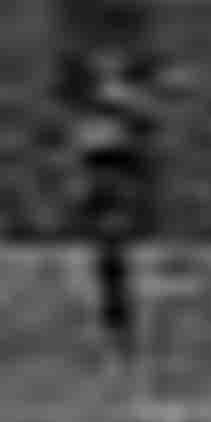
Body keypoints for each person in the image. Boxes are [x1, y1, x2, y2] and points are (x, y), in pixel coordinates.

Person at [67, 72, 157, 357]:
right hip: (109, 198)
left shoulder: (109, 135)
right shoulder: (98, 134)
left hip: (114, 198)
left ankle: (118, 328)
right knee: (110, 262)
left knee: (112, 261)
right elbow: (89, 169)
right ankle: (117, 328)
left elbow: (134, 166)